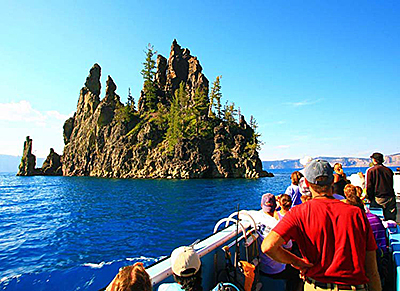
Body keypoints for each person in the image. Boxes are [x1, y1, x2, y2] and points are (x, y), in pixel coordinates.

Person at [262, 159, 381, 291]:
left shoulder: (298, 213)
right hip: (353, 287)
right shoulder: (356, 213)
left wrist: (298, 263)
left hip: (317, 286)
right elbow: (372, 269)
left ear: (306, 182)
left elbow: (268, 246)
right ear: (332, 181)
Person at [248, 194, 300, 291]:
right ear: (276, 205)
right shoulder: (279, 225)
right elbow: (289, 247)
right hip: (278, 270)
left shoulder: (255, 216)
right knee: (296, 273)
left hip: (262, 268)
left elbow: (240, 214)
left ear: (261, 205)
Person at [366, 152, 397, 221]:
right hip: (390, 197)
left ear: (374, 160)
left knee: (378, 220)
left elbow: (369, 186)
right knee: (391, 220)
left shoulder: (371, 171)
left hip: (378, 198)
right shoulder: (388, 170)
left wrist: (370, 198)